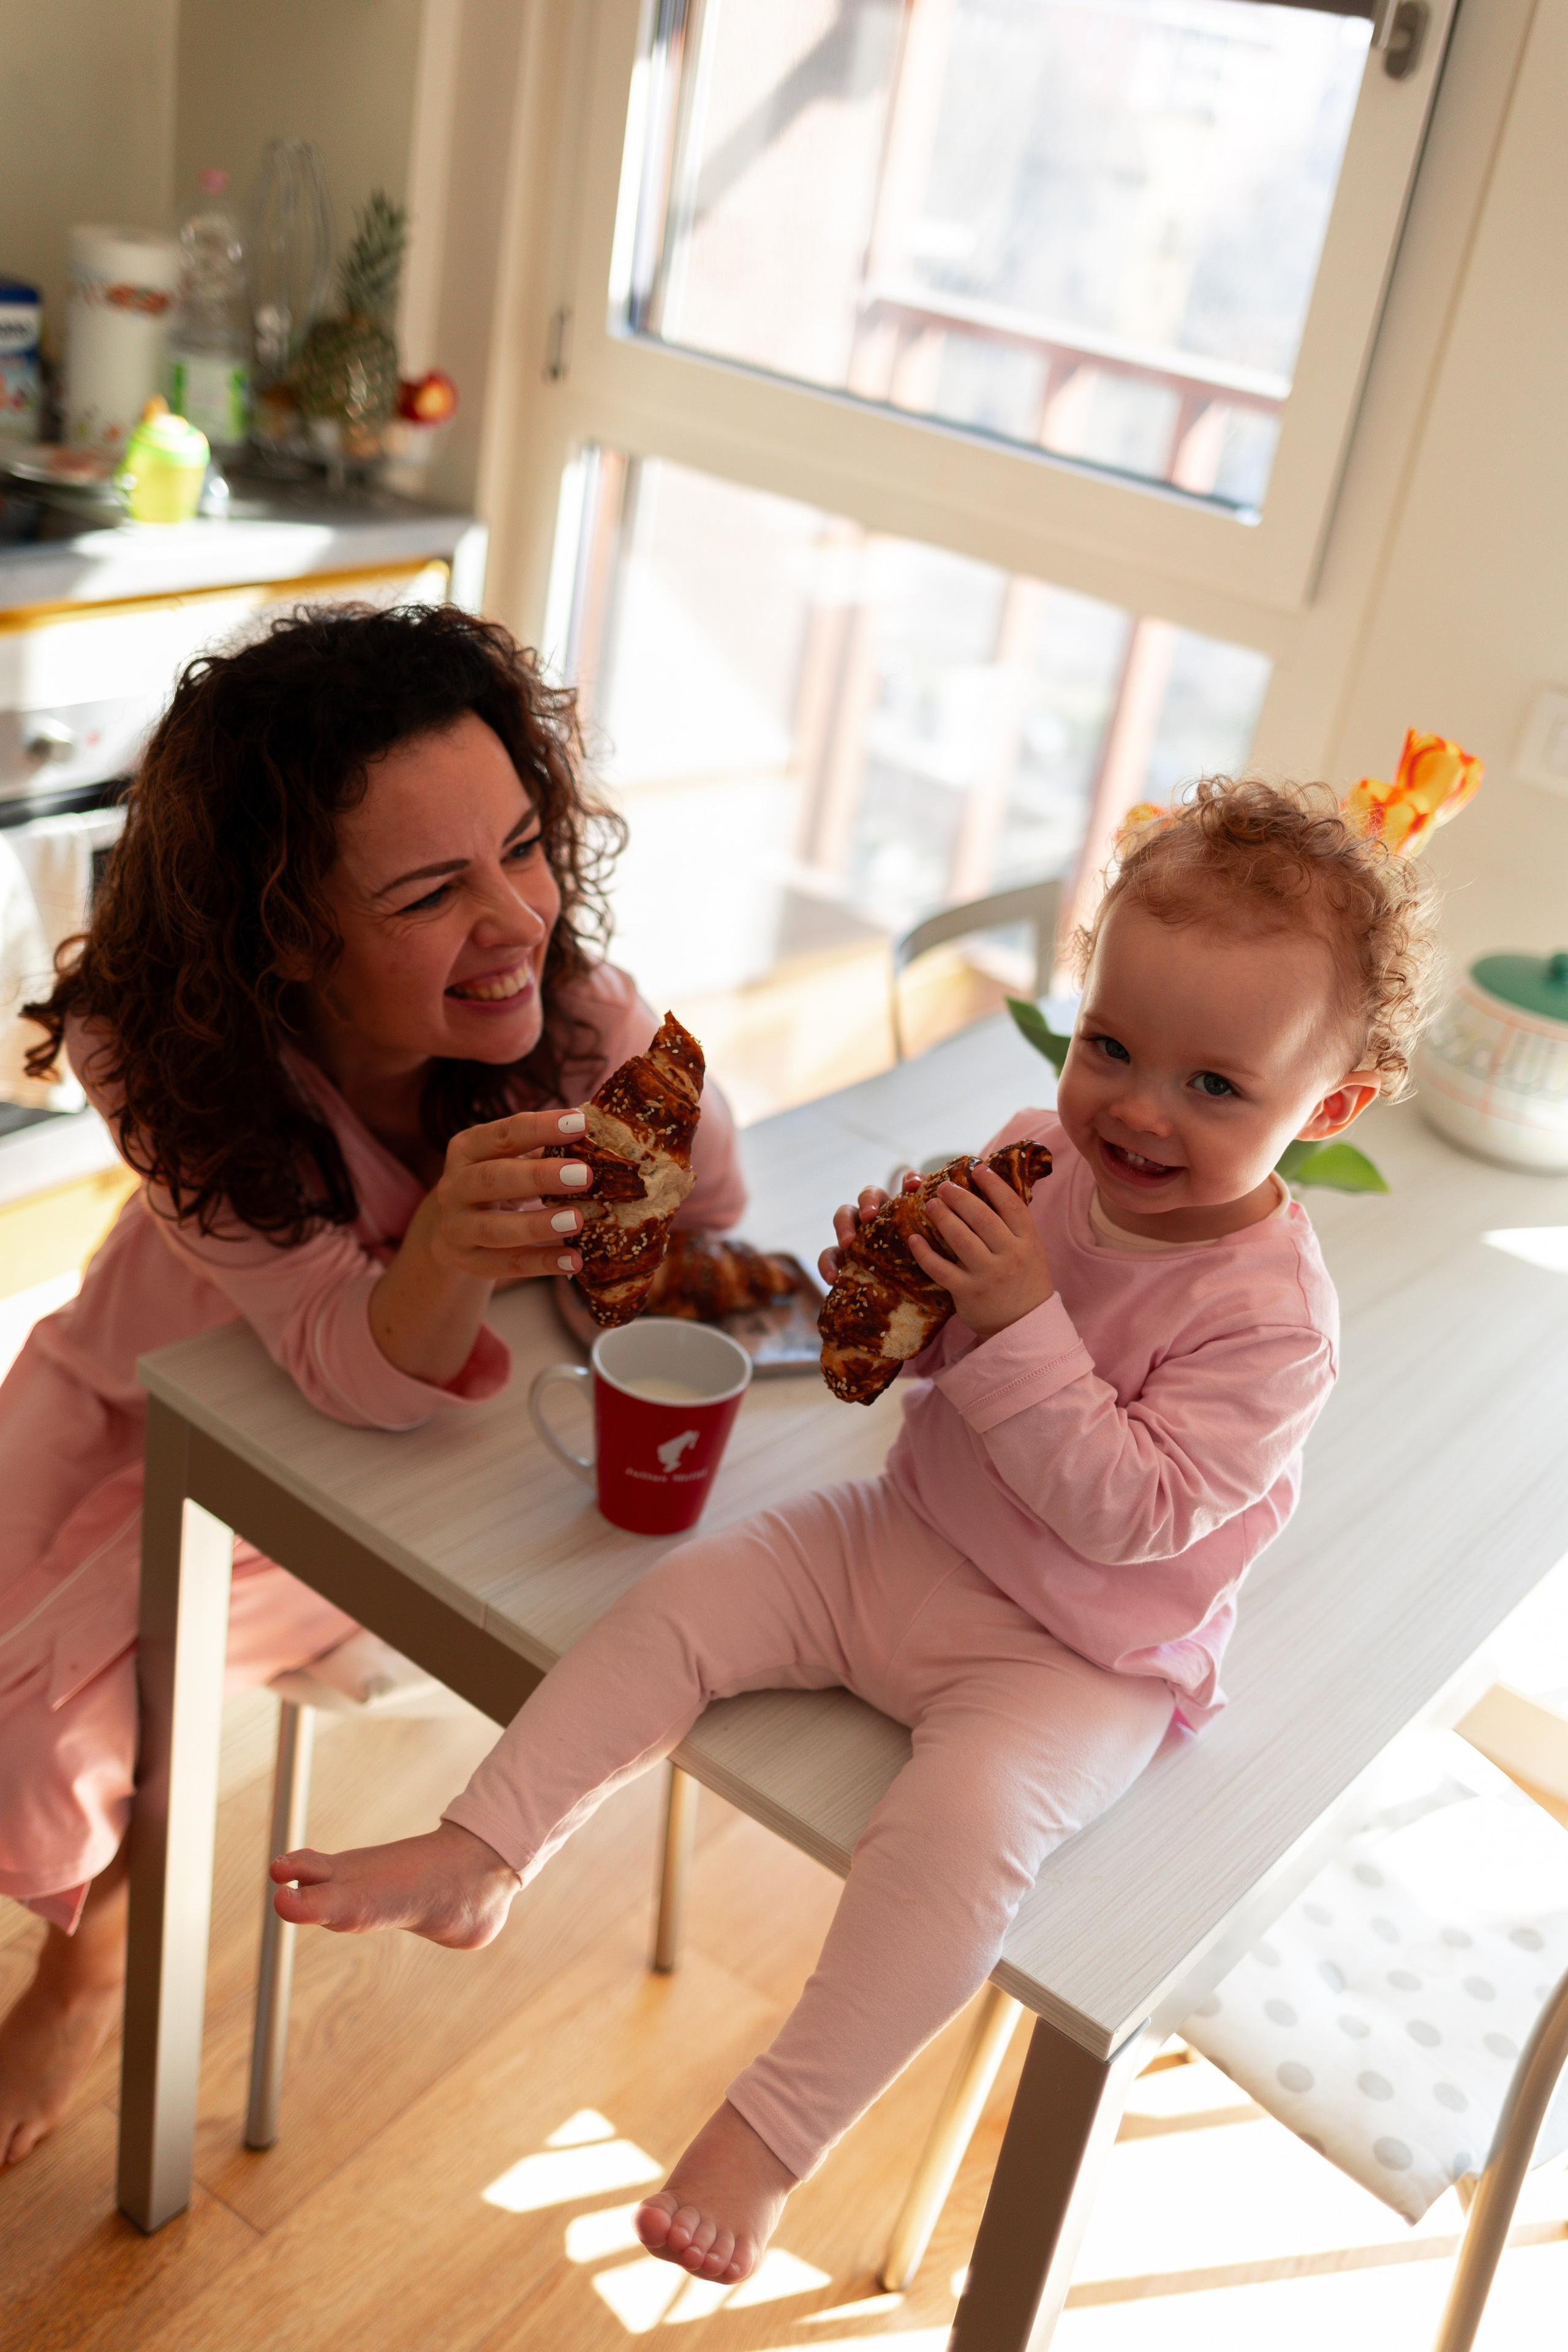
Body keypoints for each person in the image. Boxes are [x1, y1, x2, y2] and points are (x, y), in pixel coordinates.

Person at [271, 777, 1446, 2286]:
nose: (1137, 1111)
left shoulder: (1273, 1319)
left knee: (953, 1852)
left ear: (1329, 1110)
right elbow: (935, 1369)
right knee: (673, 1606)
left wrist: (1014, 1321)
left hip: (1076, 1655)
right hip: (899, 1537)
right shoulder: (1042, 1154)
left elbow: (1138, 1511)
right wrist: (906, 1301)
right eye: (1109, 1048)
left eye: (1216, 1087)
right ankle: (483, 1847)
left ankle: (767, 2137)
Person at [0, 603, 746, 2169]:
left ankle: (83, 1970)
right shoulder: (172, 1067)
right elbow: (332, 1347)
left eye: (525, 849)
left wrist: (637, 1089)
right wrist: (458, 1243)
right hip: (134, 1395)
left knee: (53, 1726)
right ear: (283, 935)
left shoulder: (569, 1026)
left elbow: (700, 1214)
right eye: (430, 890)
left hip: (363, 1470)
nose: (517, 918)